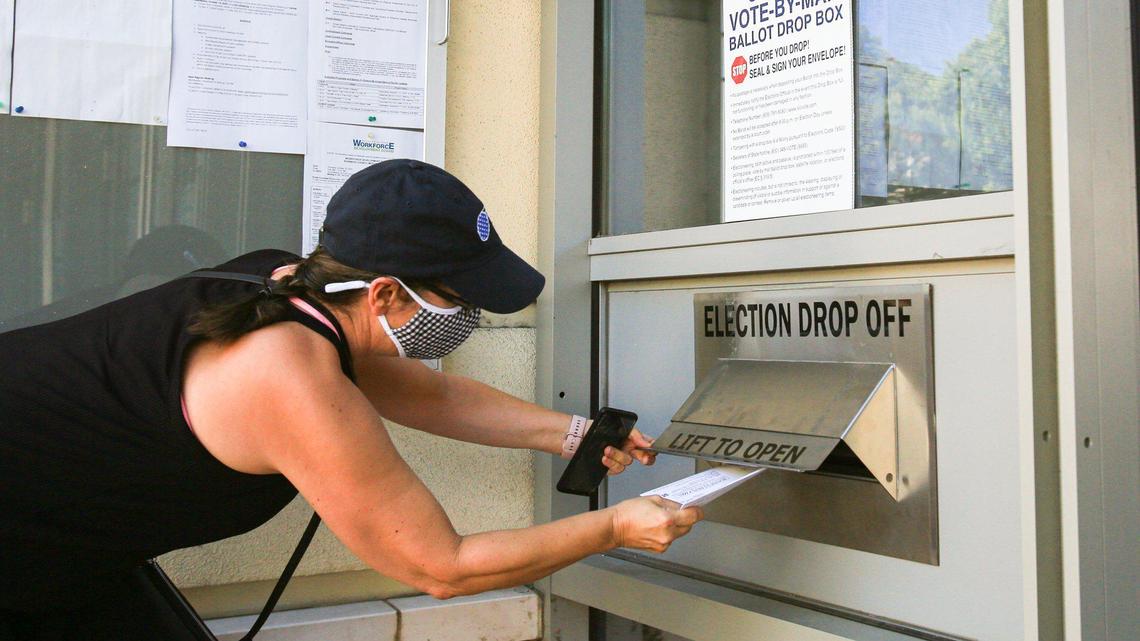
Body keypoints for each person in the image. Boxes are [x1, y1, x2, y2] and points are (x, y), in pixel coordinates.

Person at [0, 159, 703, 640]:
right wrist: (613, 530)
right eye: (459, 299)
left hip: (69, 548)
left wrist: (572, 432)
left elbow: (434, 394)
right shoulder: (286, 378)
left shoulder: (287, 288)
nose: (470, 318)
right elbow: (440, 566)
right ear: (386, 294)